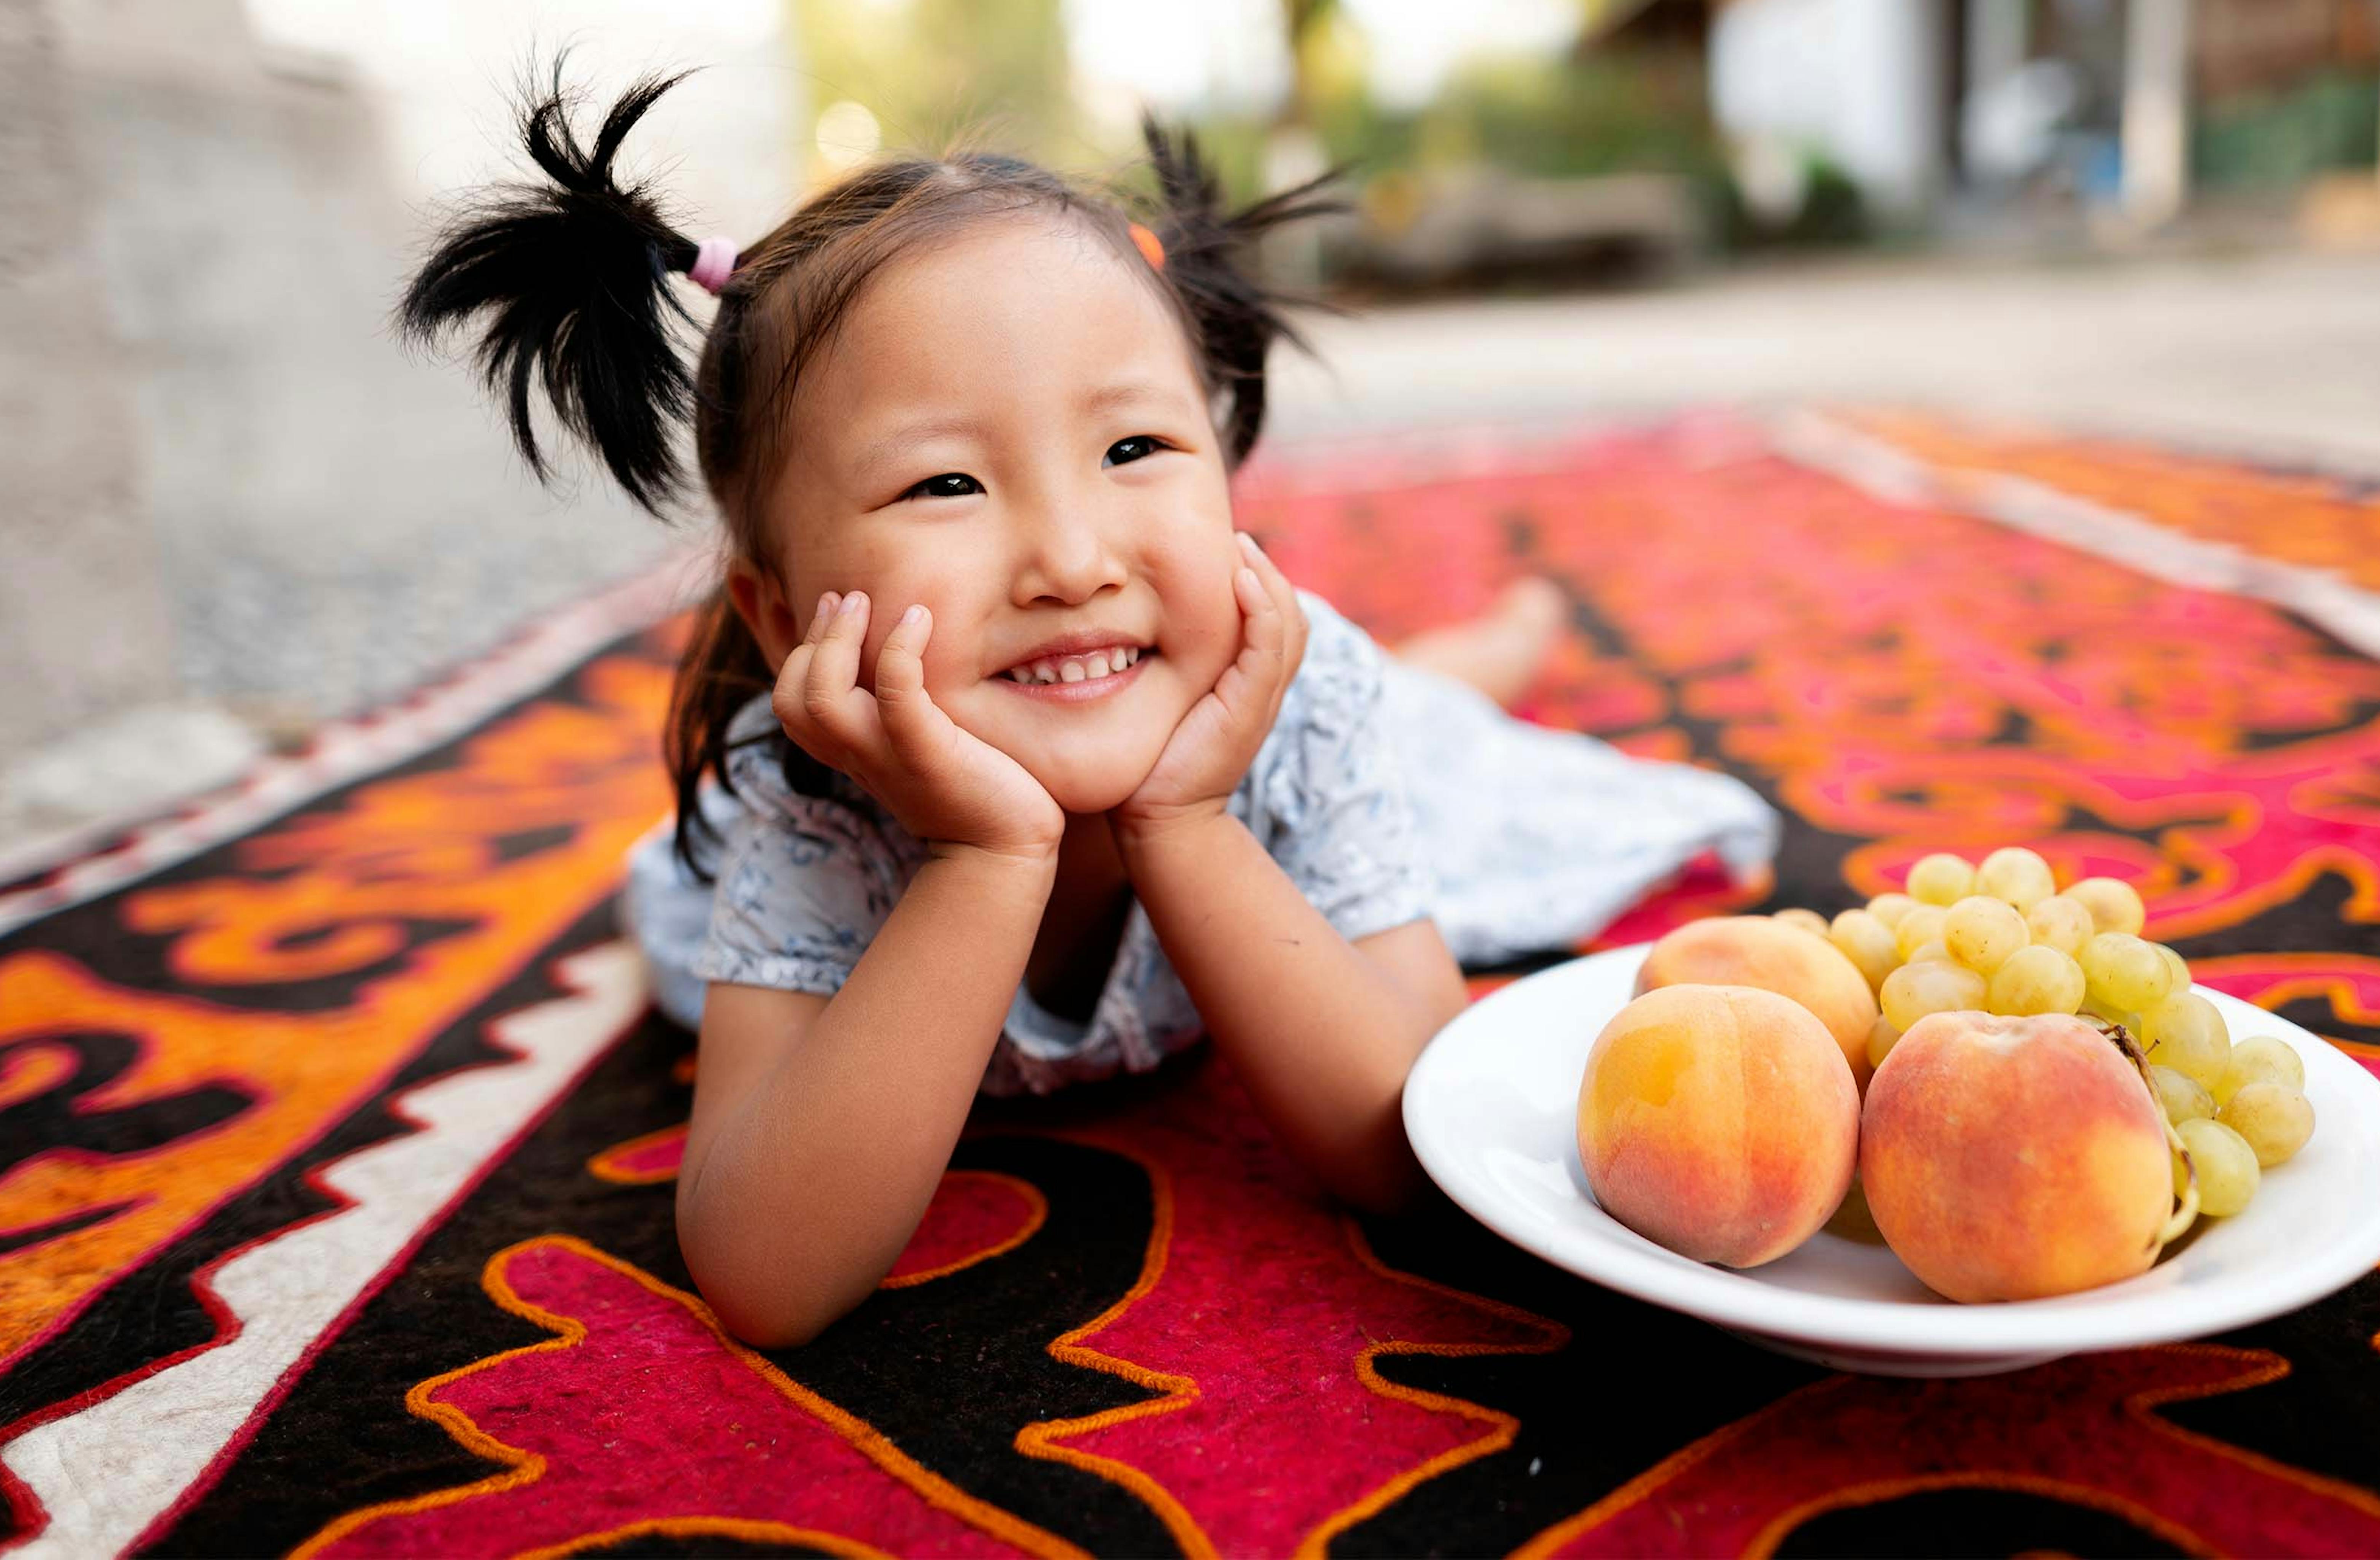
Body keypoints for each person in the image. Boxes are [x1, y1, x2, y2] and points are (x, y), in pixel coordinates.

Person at [400, 70, 1776, 1345]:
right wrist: (984, 857)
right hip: (937, 807)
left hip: (1332, 723)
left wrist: (1188, 821)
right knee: (1418, 710)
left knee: (1427, 717)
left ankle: (1505, 637)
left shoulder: (1295, 701)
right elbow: (765, 1276)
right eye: (946, 485)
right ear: (780, 618)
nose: (1070, 559)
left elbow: (1410, 1144)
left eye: (1134, 449)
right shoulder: (808, 789)